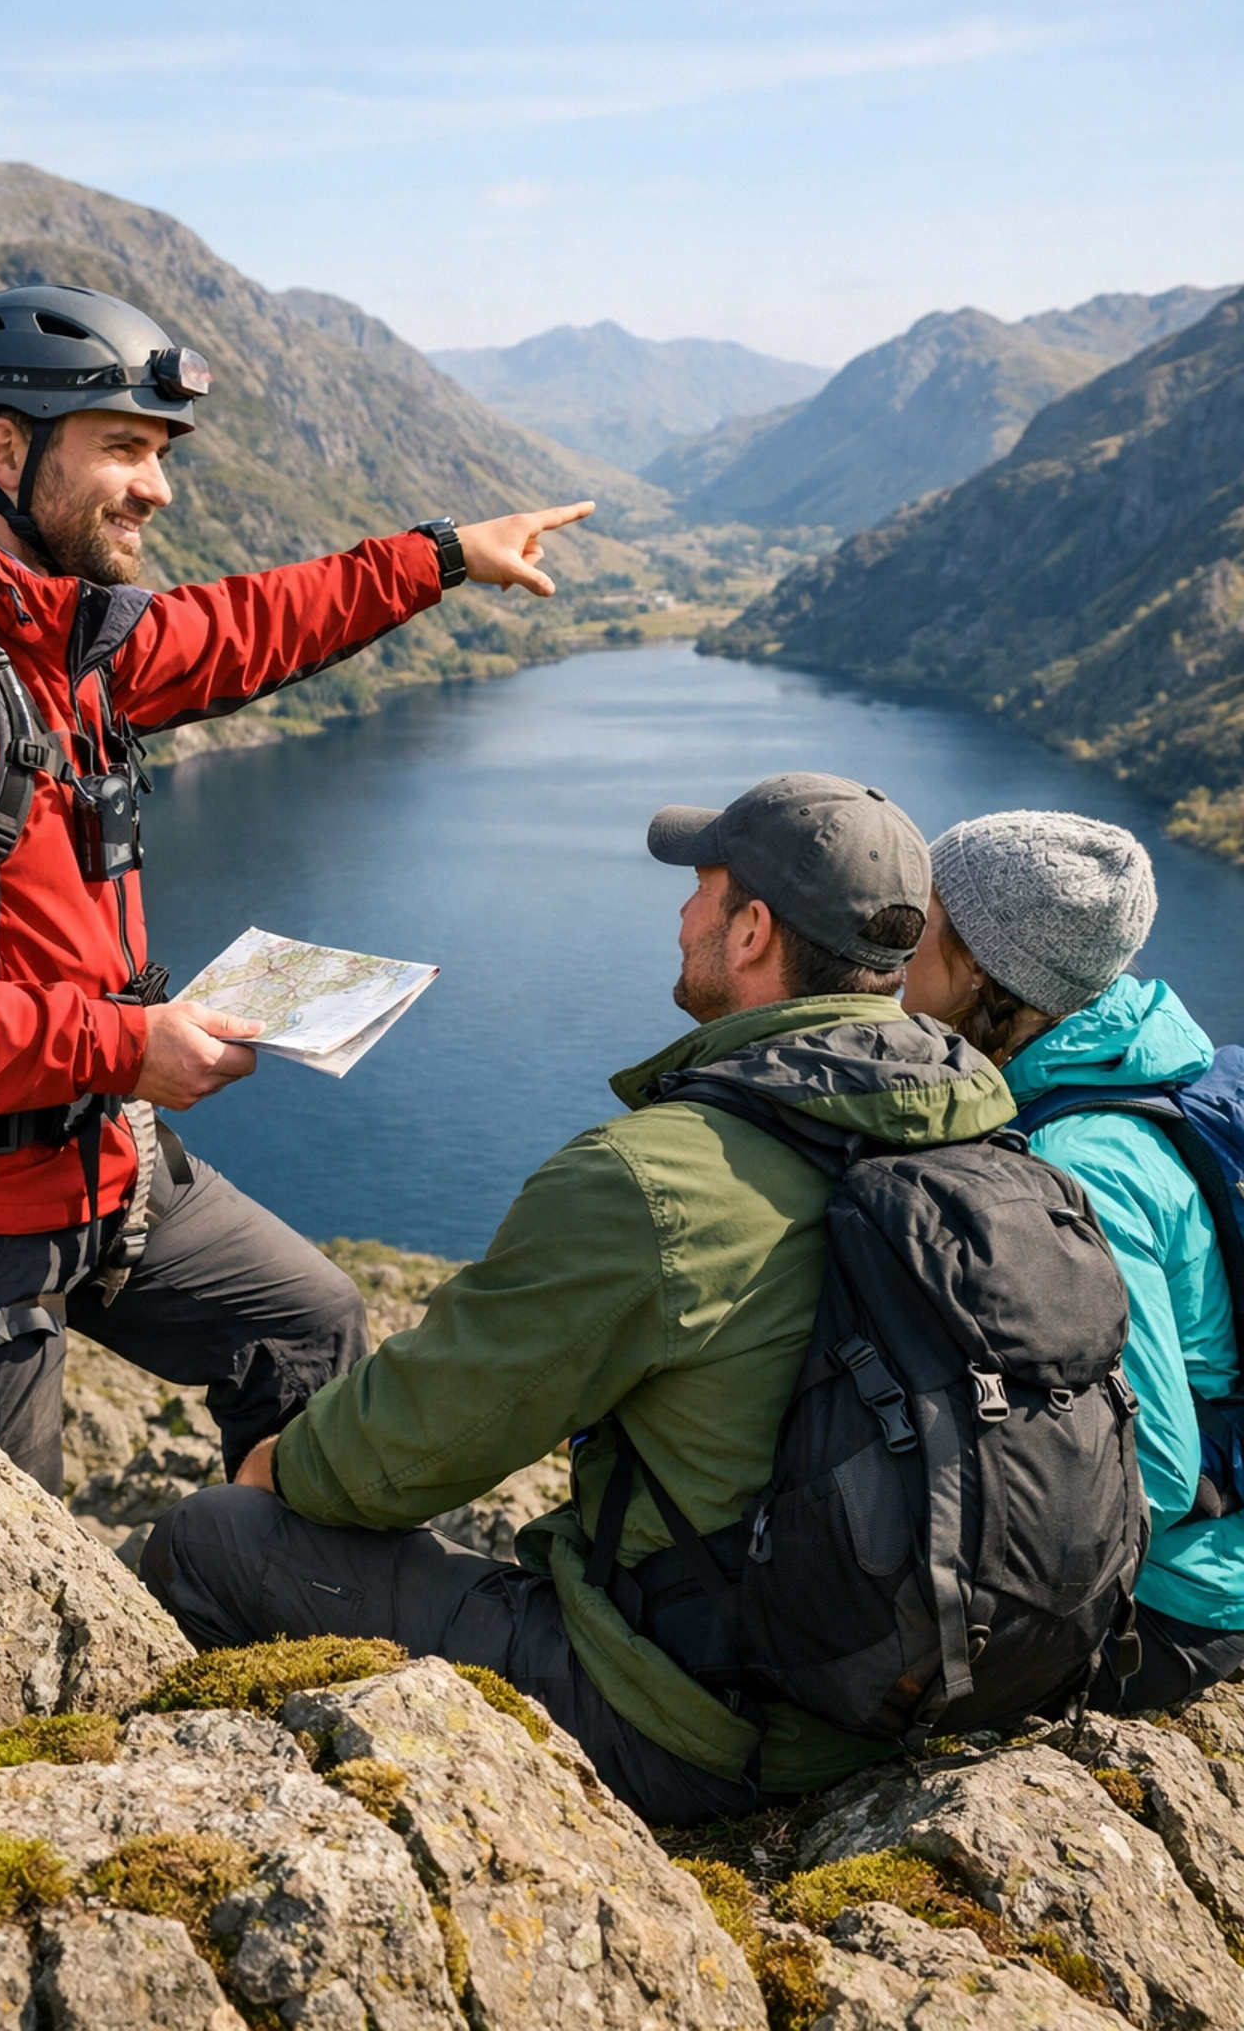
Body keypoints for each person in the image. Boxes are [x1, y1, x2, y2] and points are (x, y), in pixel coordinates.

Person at [0, 281, 593, 1493]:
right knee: (12, 1580)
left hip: (106, 1165)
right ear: (4, 448)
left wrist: (443, 557)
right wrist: (121, 1044)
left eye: (159, 453)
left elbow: (245, 627)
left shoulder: (58, 642)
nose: (157, 486)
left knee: (308, 1327)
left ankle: (246, 1595)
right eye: (125, 450)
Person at [141, 772, 1021, 1823]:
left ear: (750, 934)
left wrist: (278, 1463)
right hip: (926, 1679)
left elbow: (394, 1462)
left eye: (703, 886)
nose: (681, 910)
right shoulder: (977, 1124)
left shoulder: (658, 1178)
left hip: (700, 1720)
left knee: (213, 1539)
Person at [902, 809, 1244, 1711]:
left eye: (921, 923)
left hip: (1183, 1603)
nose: (898, 954)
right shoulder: (1148, 1064)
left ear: (981, 968)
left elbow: (1160, 1474)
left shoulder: (1084, 1161)